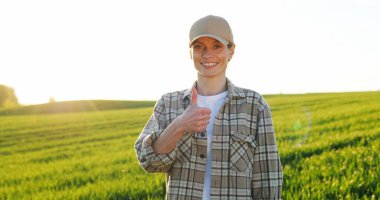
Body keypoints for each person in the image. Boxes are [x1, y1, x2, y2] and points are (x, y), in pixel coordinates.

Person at [135, 15, 283, 199]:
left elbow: (268, 179)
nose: (207, 54)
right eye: (199, 47)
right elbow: (149, 161)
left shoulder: (254, 105)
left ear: (231, 51)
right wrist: (179, 125)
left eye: (216, 46)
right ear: (190, 53)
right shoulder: (168, 103)